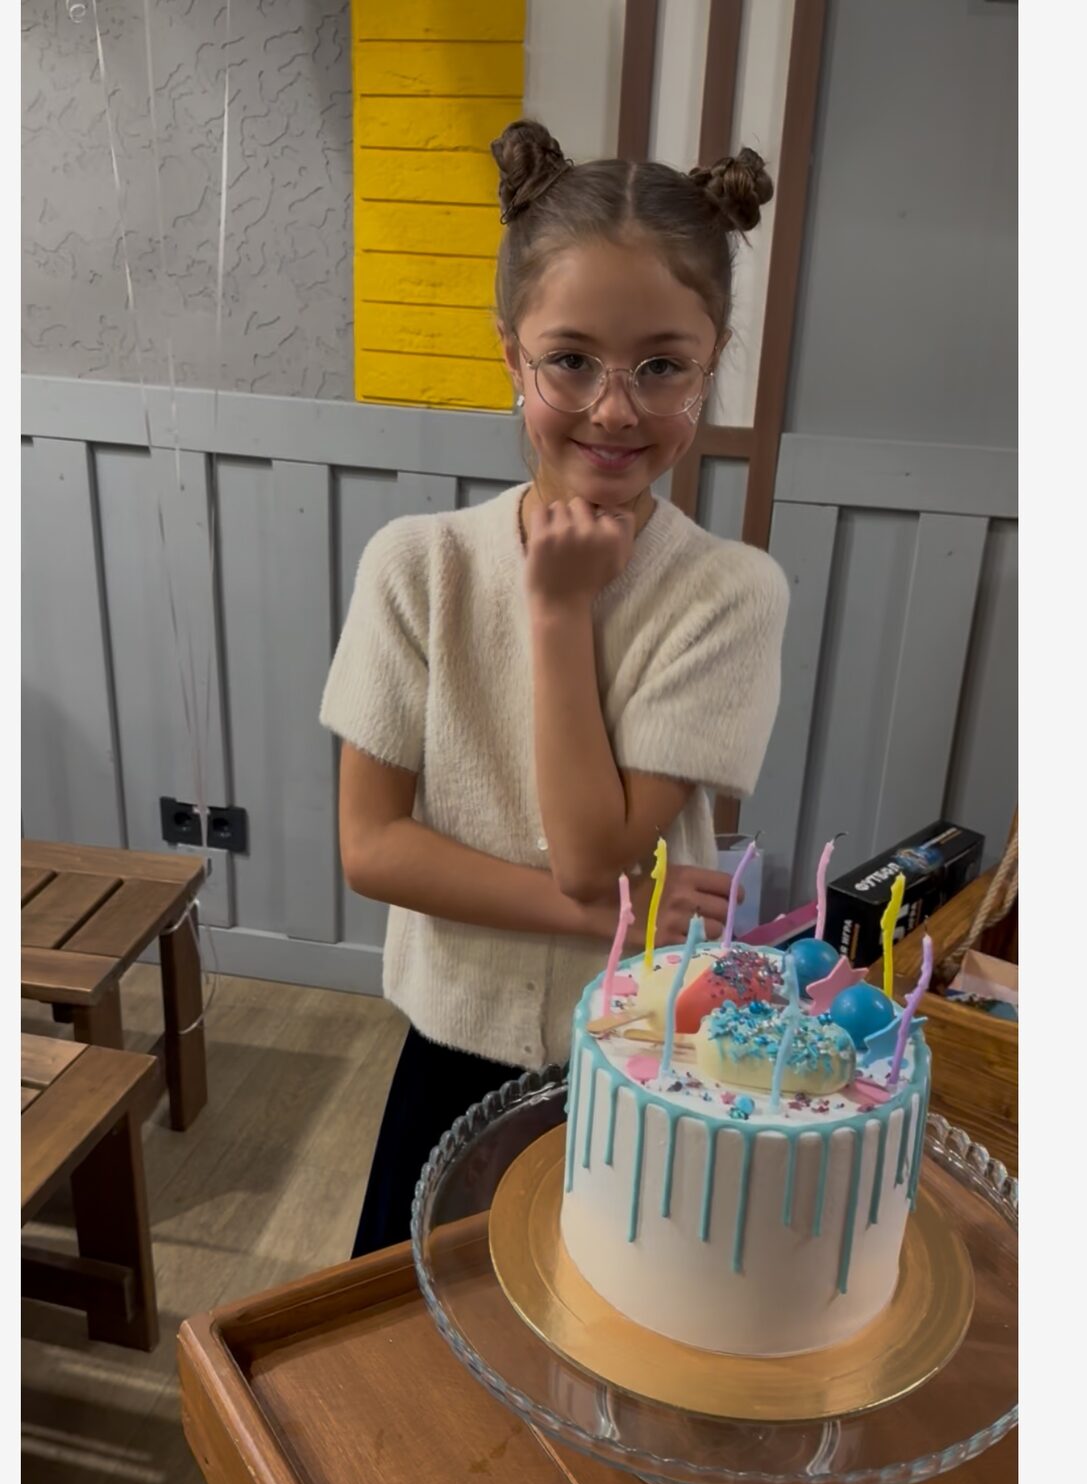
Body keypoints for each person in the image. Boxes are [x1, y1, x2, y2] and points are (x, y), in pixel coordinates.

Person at [322, 118, 789, 1260]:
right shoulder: (417, 564)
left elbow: (593, 850)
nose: (615, 409)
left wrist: (558, 610)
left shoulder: (728, 592)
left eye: (662, 366)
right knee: (413, 1309)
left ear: (713, 360)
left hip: (647, 1052)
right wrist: (601, 919)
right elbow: (372, 846)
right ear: (510, 354)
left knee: (613, 1312)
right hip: (453, 1038)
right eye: (570, 359)